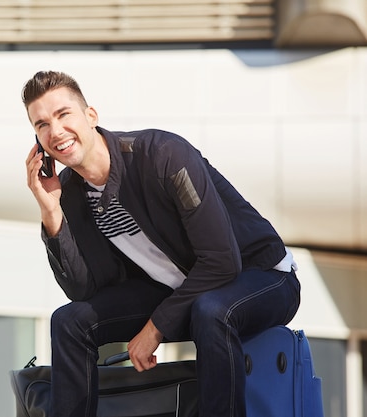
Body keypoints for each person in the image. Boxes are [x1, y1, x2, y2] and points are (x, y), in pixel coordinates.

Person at [22, 70, 301, 417]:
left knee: (211, 310)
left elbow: (222, 261)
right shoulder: (69, 192)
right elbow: (84, 291)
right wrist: (52, 214)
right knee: (70, 320)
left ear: (91, 116)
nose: (55, 132)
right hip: (179, 291)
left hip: (262, 276)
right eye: (42, 124)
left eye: (63, 114)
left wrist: (156, 328)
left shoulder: (163, 155)